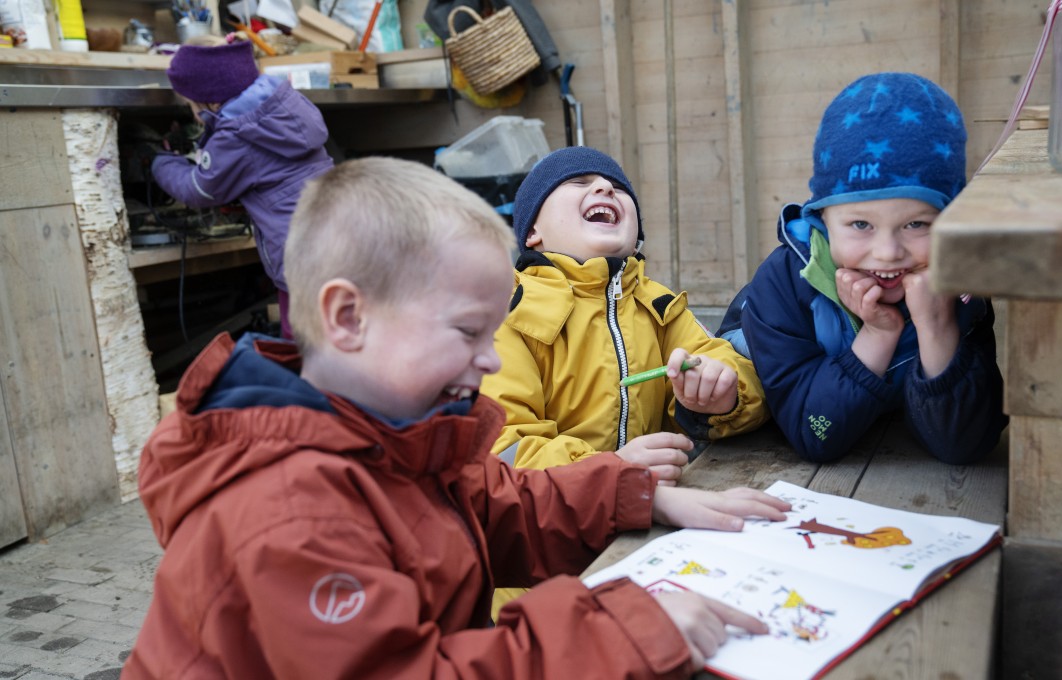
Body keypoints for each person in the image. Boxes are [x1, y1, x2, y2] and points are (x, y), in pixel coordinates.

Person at [121, 156, 793, 679]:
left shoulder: (395, 431)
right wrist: (622, 628)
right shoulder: (288, 514)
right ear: (348, 318)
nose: (490, 361)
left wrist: (642, 497)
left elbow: (502, 503)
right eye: (469, 332)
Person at [480, 146, 772, 616]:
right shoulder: (508, 314)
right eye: (577, 184)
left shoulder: (658, 306)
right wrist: (611, 470)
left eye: (617, 187)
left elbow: (732, 368)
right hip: (540, 574)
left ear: (637, 235)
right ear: (532, 232)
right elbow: (502, 449)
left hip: (648, 539)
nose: (603, 188)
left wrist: (722, 394)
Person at [716, 72, 1007, 465]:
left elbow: (965, 444)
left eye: (916, 224)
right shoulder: (783, 284)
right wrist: (877, 334)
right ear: (821, 219)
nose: (887, 253)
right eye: (860, 225)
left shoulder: (961, 284)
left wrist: (938, 328)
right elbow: (815, 432)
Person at [148, 36, 334, 339]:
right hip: (344, 235)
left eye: (192, 107)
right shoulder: (284, 105)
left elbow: (199, 189)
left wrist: (162, 163)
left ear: (208, 101)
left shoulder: (235, 136)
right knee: (343, 331)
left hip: (300, 256)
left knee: (306, 343)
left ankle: (316, 383)